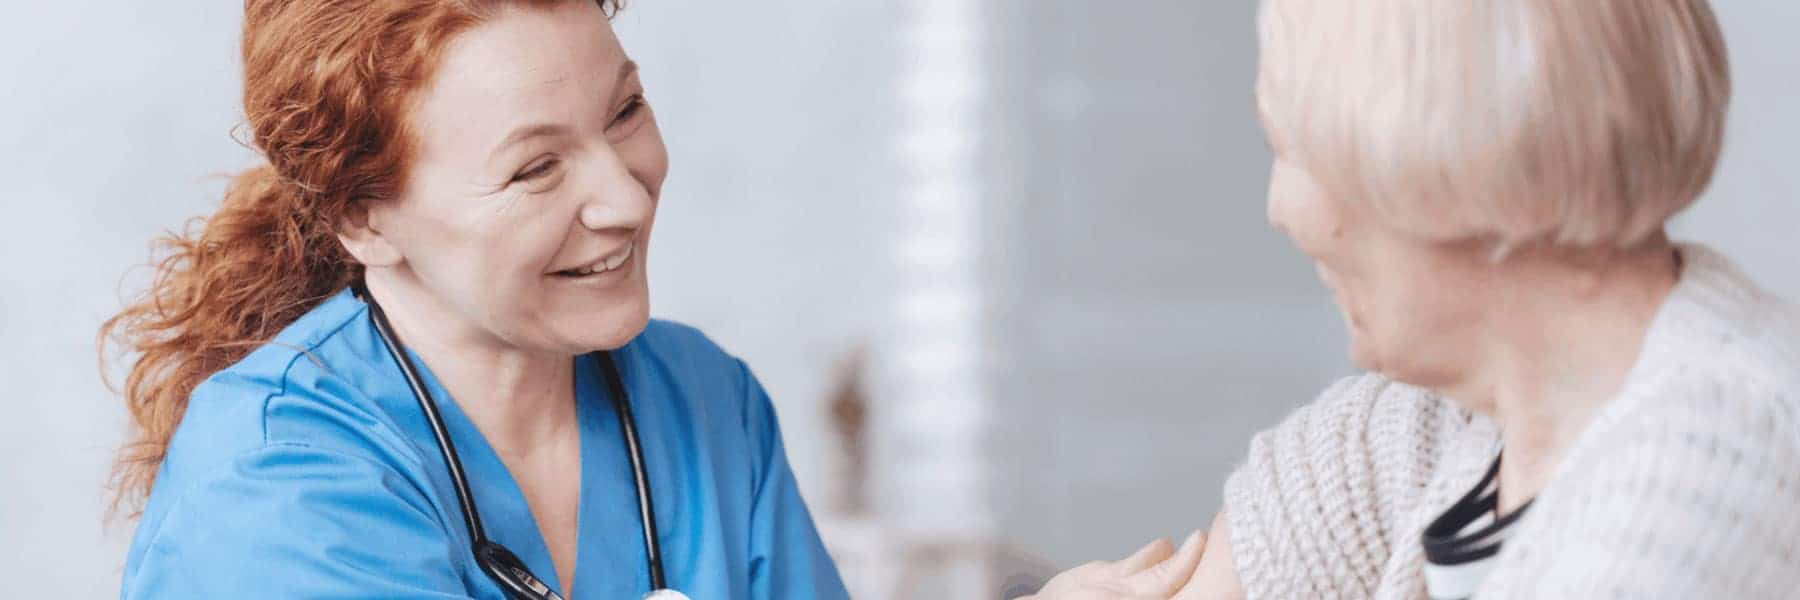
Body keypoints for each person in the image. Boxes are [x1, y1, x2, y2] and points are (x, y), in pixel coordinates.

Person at [1032, 0, 1800, 598]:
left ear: (1453, 162)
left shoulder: (1710, 469)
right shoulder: (1446, 431)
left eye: (1291, 151)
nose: (1280, 210)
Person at [100, 1, 849, 598]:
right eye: (535, 170)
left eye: (624, 112)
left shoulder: (707, 404)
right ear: (362, 217)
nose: (624, 199)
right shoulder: (275, 478)